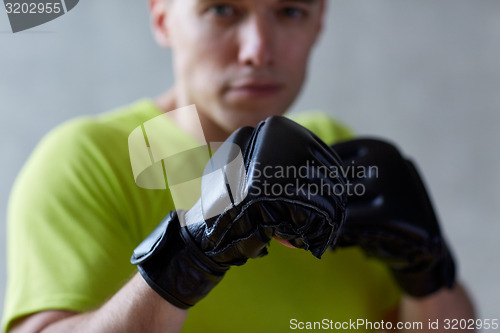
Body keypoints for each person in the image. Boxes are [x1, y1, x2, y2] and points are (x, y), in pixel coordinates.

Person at [2, 0, 476, 332]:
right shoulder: (88, 159)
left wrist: (426, 270)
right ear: (162, 17)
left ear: (319, 22)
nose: (258, 50)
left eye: (290, 11)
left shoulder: (335, 152)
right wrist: (185, 258)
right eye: (222, 9)